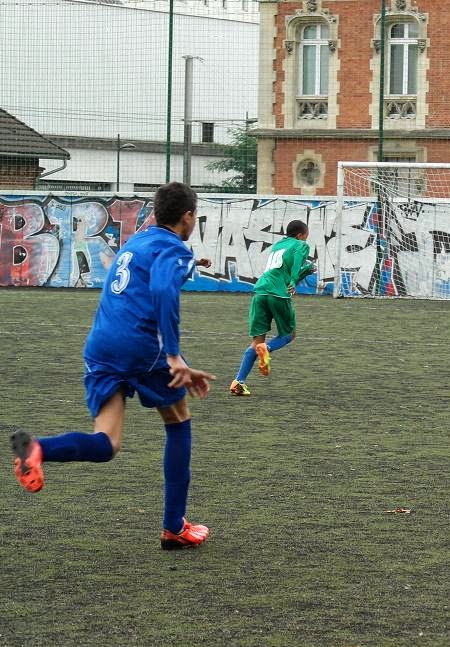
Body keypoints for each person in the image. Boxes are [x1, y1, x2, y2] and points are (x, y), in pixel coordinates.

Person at [10, 182, 217, 550]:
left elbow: (149, 275)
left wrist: (189, 264)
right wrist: (173, 356)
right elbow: (162, 292)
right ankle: (174, 526)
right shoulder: (174, 249)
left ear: (155, 213)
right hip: (141, 347)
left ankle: (38, 449)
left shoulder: (137, 242)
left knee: (106, 443)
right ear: (189, 217)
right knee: (178, 420)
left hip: (102, 344)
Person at [228, 220, 315, 396]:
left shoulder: (278, 246)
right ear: (300, 235)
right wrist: (295, 278)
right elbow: (297, 261)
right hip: (277, 293)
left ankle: (238, 382)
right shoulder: (301, 244)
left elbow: (281, 271)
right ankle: (266, 349)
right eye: (306, 236)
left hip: (260, 292)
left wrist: (303, 273)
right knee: (289, 334)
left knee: (256, 341)